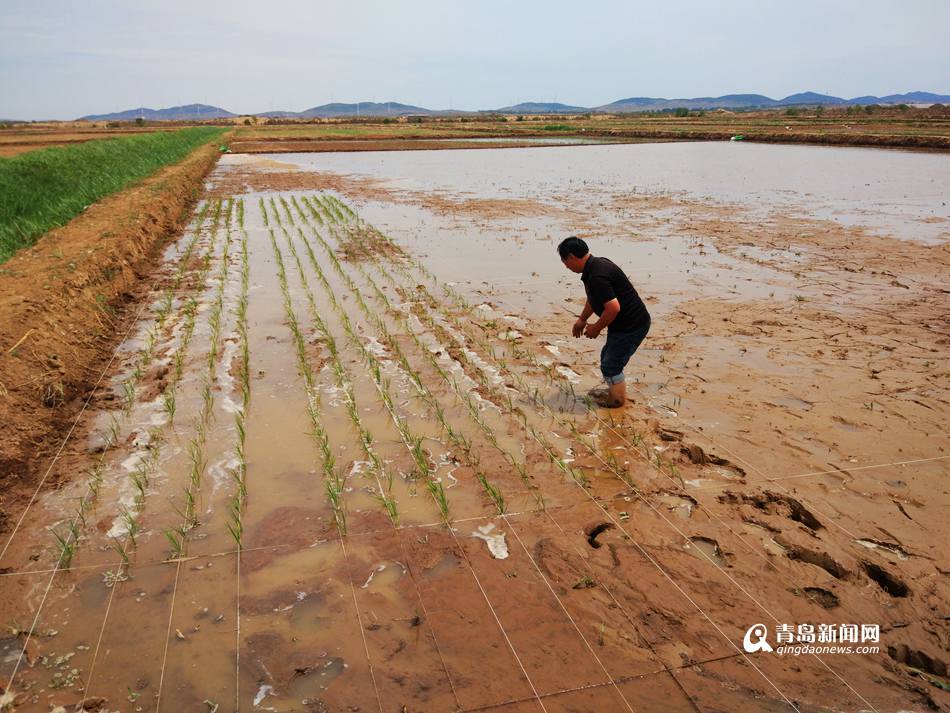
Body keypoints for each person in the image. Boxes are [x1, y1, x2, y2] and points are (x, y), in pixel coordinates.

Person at [558, 236, 651, 408]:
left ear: (571, 257)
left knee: (611, 365)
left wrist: (596, 328)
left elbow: (613, 308)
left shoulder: (597, 275)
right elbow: (595, 298)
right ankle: (614, 390)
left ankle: (617, 401)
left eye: (565, 261)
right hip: (623, 324)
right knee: (607, 357)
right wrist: (582, 319)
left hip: (632, 325)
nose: (565, 266)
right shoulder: (595, 266)